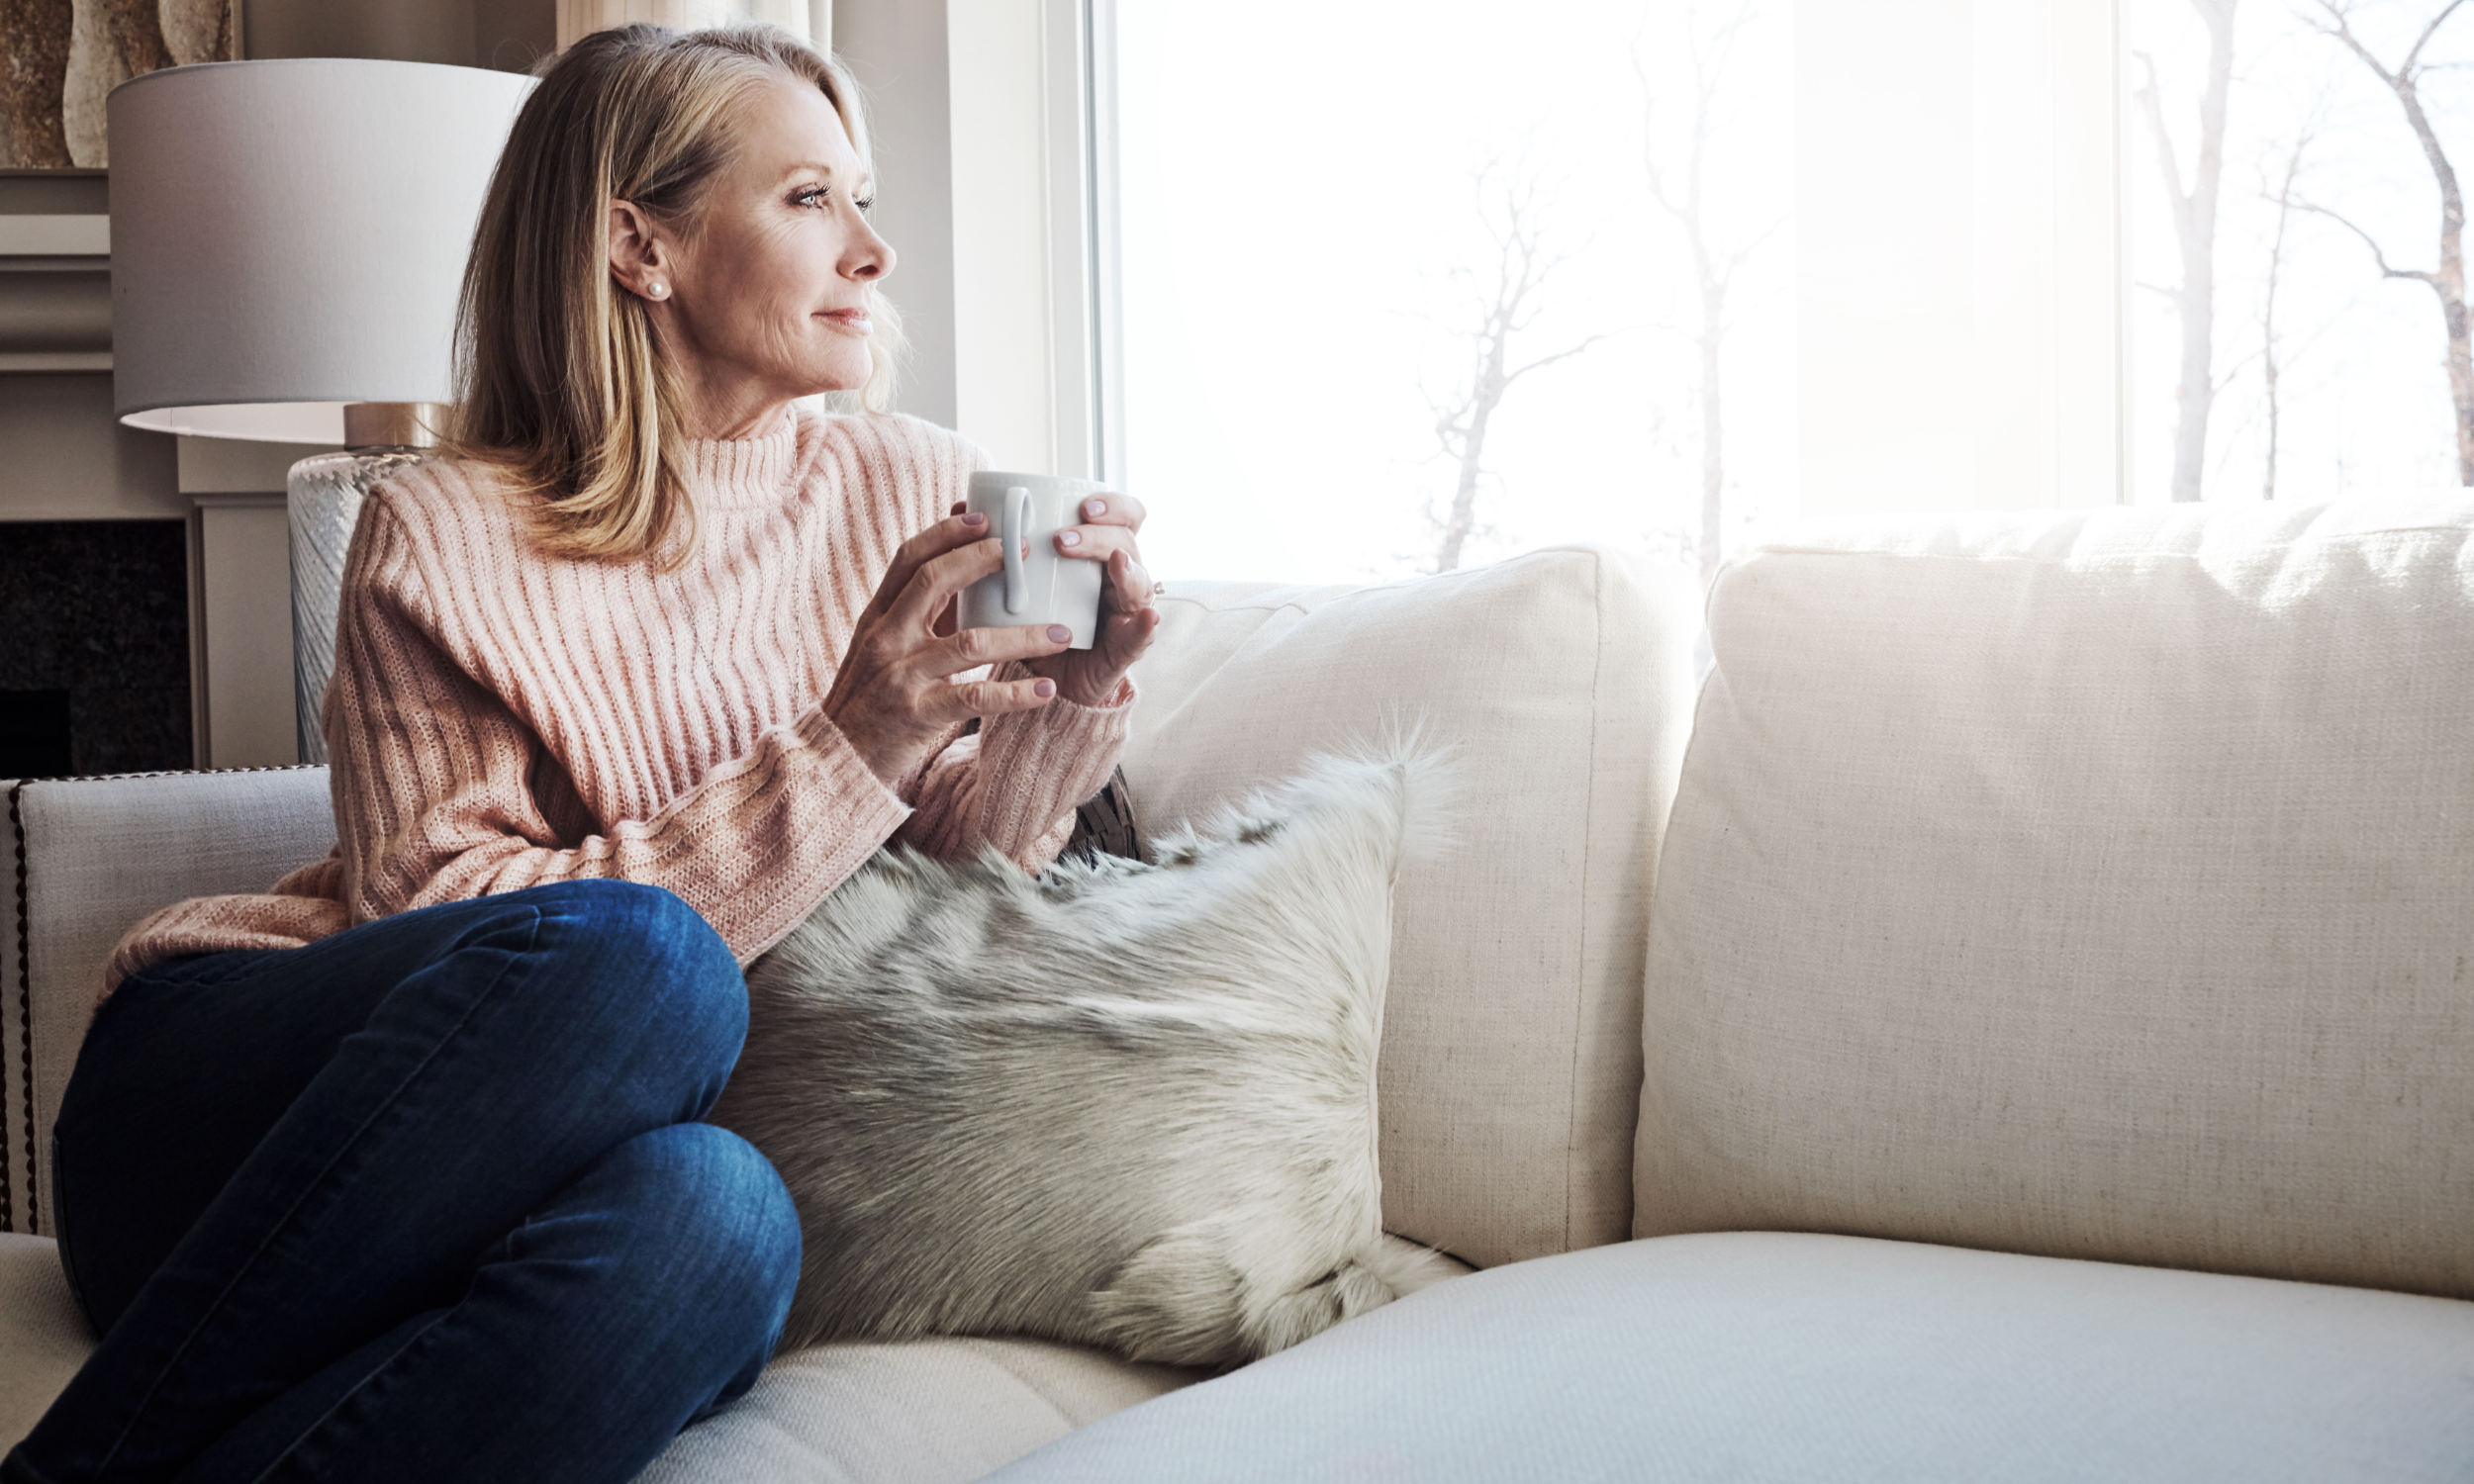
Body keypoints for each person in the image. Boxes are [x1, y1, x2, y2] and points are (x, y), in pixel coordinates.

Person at [3, 23, 1159, 1484]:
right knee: (649, 964)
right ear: (639, 245)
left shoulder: (910, 481)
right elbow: (445, 929)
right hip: (233, 1106)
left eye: (865, 200)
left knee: (720, 1219)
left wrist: (1074, 698)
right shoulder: (445, 522)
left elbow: (917, 890)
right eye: (809, 199)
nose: (871, 250)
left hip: (524, 1186)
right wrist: (846, 739)